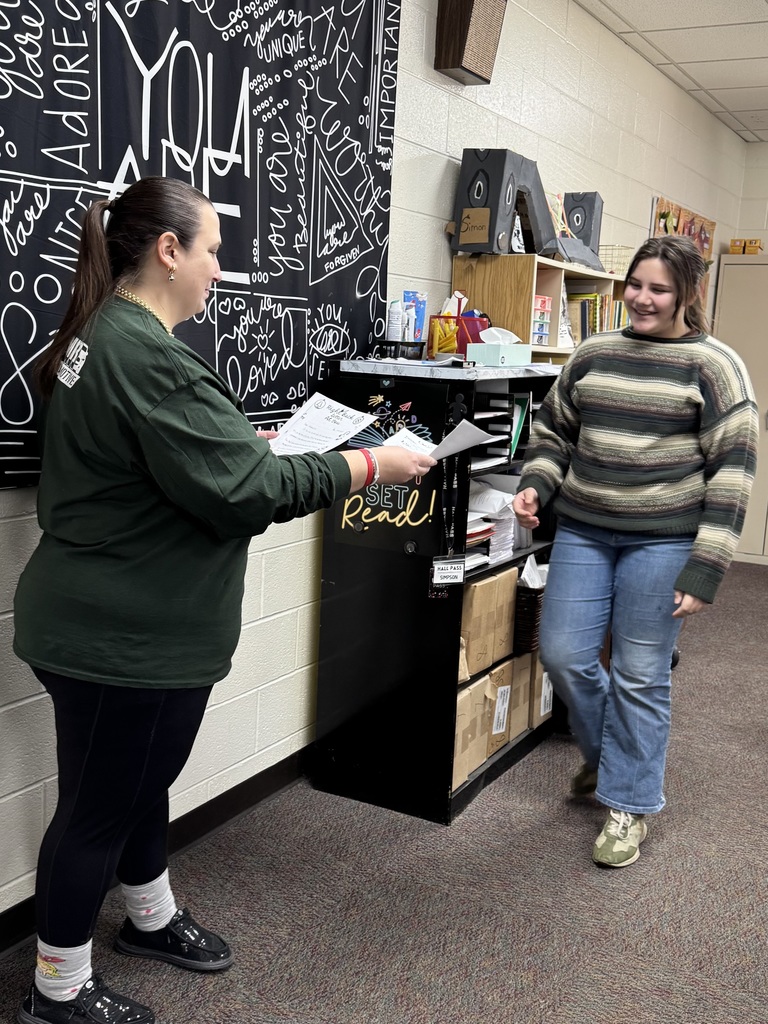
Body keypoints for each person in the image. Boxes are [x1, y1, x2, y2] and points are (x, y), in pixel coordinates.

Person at [13, 176, 436, 1024]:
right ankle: (57, 990)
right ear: (168, 251)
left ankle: (149, 918)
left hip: (111, 622)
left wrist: (246, 444)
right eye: (211, 250)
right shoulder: (148, 356)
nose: (219, 269)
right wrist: (369, 465)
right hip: (123, 638)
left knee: (140, 784)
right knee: (96, 813)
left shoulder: (108, 335)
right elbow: (246, 495)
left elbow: (174, 460)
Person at [512, 235, 758, 869]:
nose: (642, 299)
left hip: (665, 538)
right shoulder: (593, 354)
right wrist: (537, 483)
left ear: (688, 294)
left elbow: (733, 473)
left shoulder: (715, 366)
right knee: (563, 656)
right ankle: (610, 759)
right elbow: (553, 432)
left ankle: (630, 806)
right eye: (636, 285)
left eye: (660, 289)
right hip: (585, 529)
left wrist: (706, 567)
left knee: (641, 672)